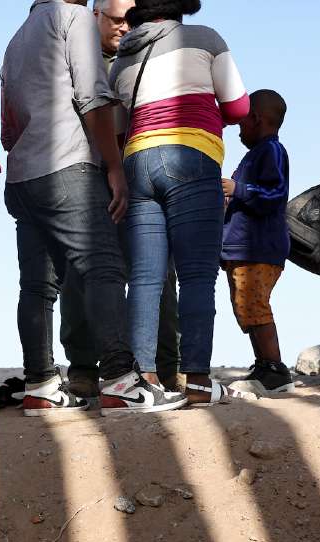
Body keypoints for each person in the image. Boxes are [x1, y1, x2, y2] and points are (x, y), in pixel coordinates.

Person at [1, 0, 187, 417]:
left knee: (37, 287)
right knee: (103, 268)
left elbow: (7, 125)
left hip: (22, 176)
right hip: (69, 167)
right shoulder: (74, 19)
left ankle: (40, 385)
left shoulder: (17, 38)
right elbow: (91, 96)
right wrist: (115, 166)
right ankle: (121, 381)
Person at [109, 0, 250, 406]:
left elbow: (119, 128)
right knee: (196, 276)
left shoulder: (123, 58)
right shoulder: (204, 38)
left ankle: (143, 380)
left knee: (146, 279)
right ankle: (199, 381)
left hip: (138, 162)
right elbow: (240, 108)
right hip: (191, 154)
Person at [222, 90, 294, 394]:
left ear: (255, 119)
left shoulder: (272, 151)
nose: (239, 131)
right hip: (241, 250)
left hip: (259, 248)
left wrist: (238, 189)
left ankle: (275, 370)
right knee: (245, 306)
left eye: (241, 125)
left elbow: (275, 194)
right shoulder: (254, 155)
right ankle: (264, 365)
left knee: (255, 305)